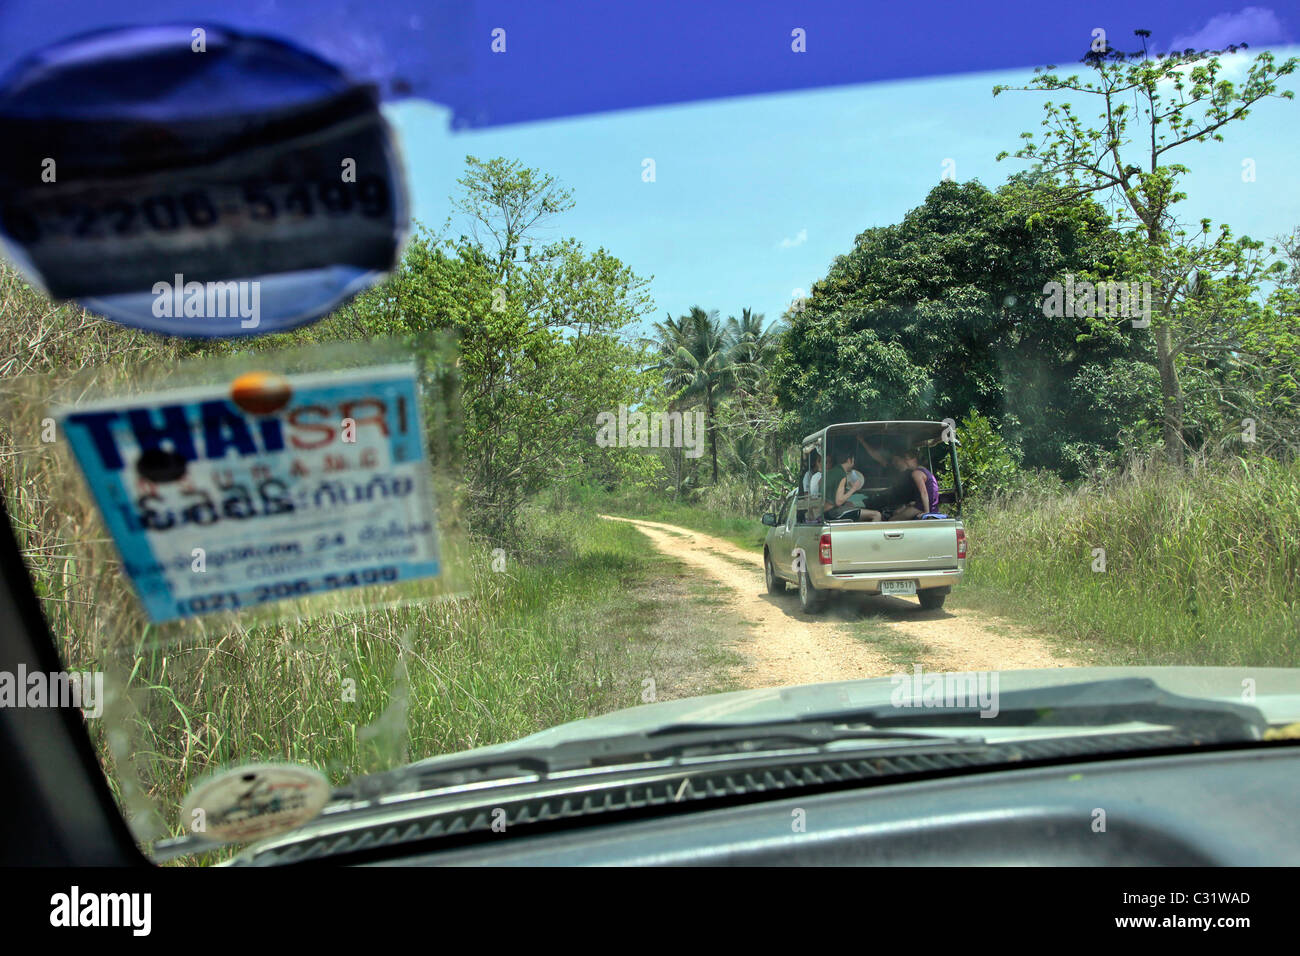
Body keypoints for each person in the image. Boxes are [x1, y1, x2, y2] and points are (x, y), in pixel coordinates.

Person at [824, 444, 882, 521]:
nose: (853, 463)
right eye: (853, 460)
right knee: (876, 514)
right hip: (834, 512)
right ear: (849, 460)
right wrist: (854, 488)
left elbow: (831, 496)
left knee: (853, 508)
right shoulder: (841, 474)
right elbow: (838, 501)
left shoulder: (830, 472)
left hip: (825, 511)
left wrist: (846, 502)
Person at [888, 447, 941, 521]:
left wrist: (926, 512)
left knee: (892, 520)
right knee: (897, 512)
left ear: (915, 459)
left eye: (907, 459)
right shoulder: (923, 470)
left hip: (922, 507)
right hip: (927, 505)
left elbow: (924, 492)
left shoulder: (916, 473)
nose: (905, 461)